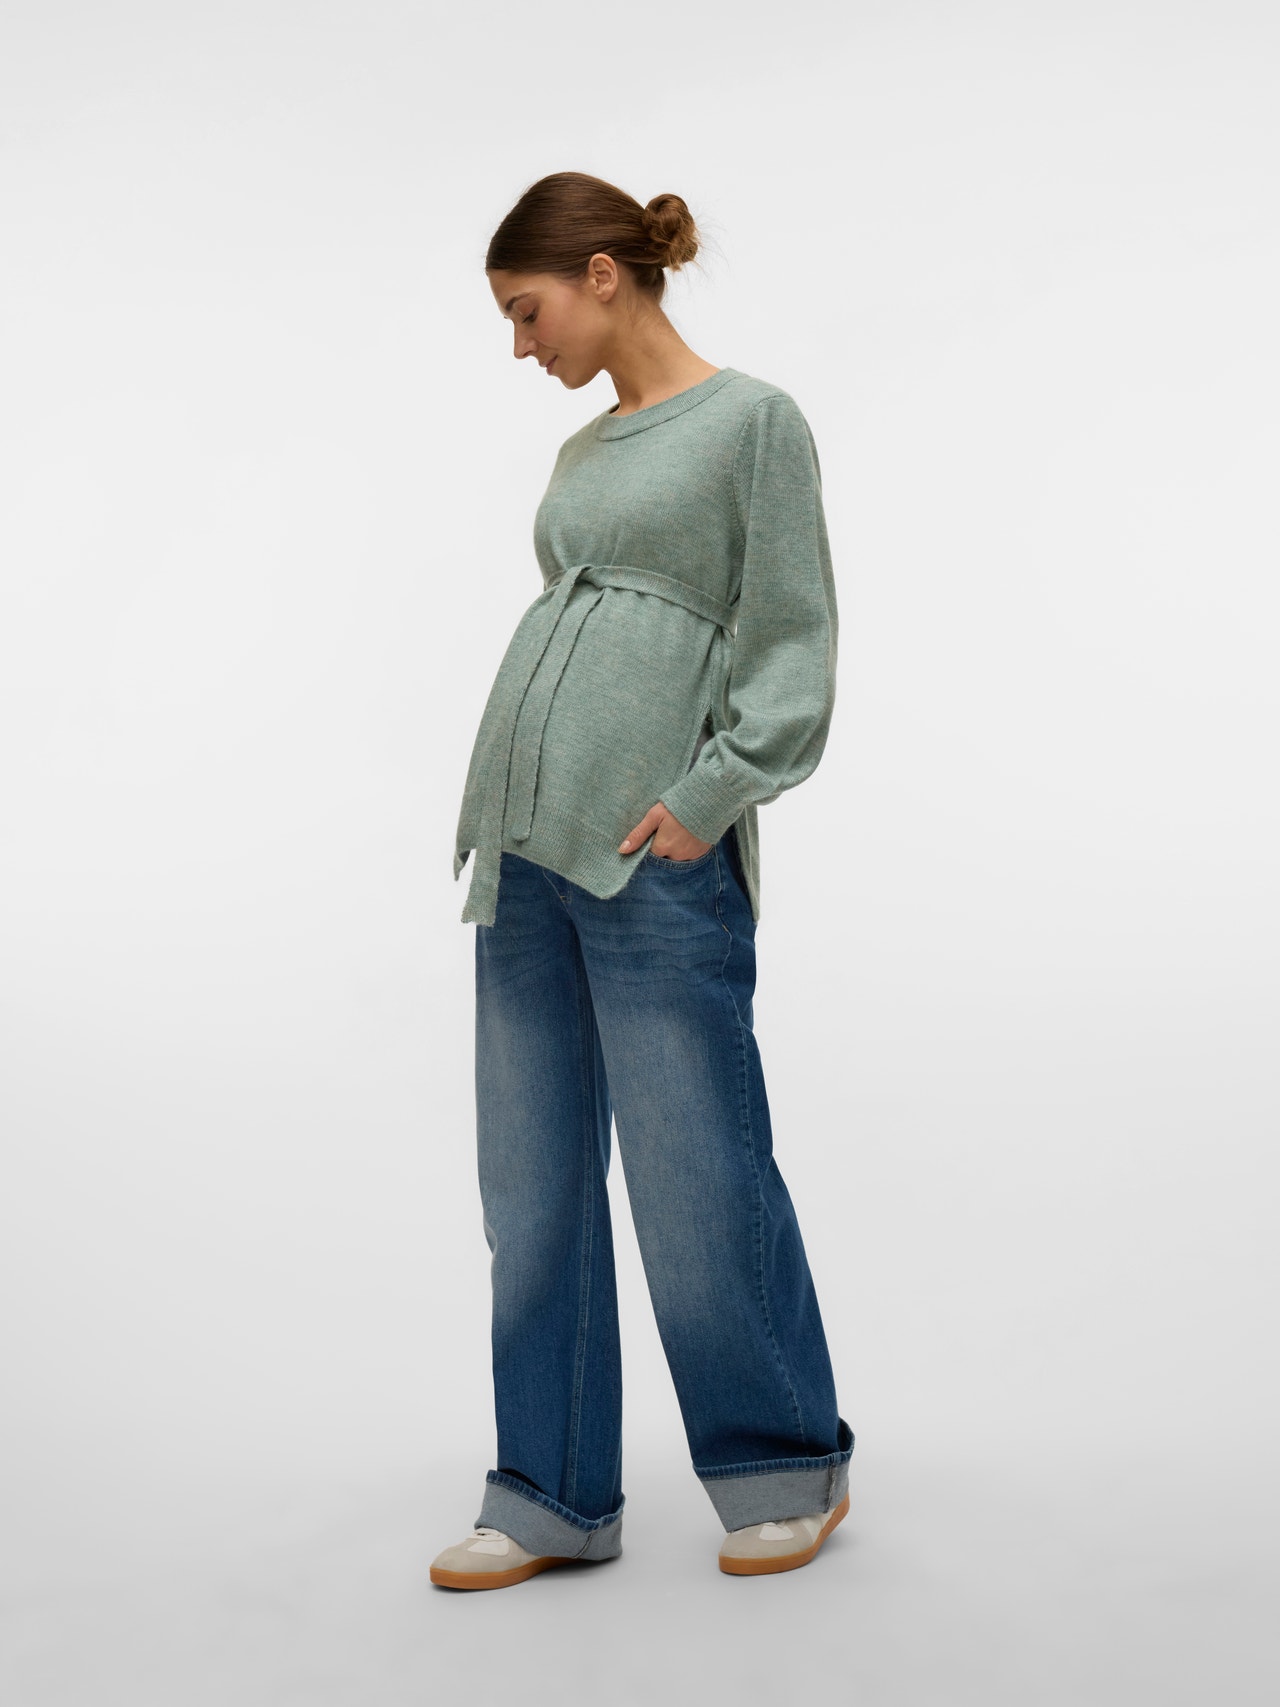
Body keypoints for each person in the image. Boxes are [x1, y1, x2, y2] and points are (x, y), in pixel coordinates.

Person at [431, 172, 854, 1590]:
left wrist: (708, 796)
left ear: (603, 275)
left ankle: (783, 1465)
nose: (521, 344)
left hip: (652, 853)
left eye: (527, 310)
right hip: (528, 851)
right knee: (531, 1184)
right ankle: (551, 1496)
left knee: (696, 1171)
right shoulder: (582, 450)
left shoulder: (752, 423)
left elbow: (791, 637)